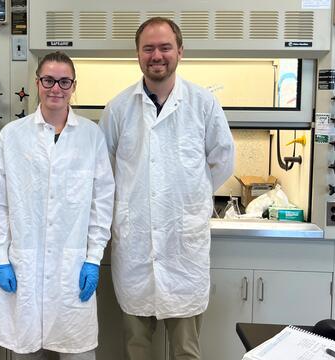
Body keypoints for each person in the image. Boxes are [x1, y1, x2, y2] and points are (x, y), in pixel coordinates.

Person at [98, 17, 235, 360]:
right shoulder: (118, 108)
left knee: (186, 350)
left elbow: (223, 161)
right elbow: (104, 172)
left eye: (164, 47)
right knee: (136, 348)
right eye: (148, 48)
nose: (156, 55)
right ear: (138, 54)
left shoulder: (203, 104)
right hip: (135, 247)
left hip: (182, 248)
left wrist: (190, 198)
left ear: (180, 51)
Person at [0, 51, 114, 360]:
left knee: (77, 352)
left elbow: (102, 203)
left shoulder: (91, 136)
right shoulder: (13, 136)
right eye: (49, 80)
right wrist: (1, 257)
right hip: (23, 266)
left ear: (73, 86)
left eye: (64, 81)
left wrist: (94, 259)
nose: (56, 88)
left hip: (72, 267)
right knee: (26, 351)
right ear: (37, 83)